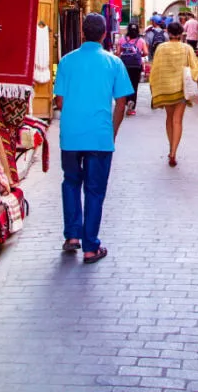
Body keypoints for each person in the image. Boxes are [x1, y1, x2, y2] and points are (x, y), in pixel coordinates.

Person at [54, 13, 133, 264]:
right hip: (100, 135)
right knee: (95, 191)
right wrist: (113, 130)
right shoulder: (114, 63)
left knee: (71, 182)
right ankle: (91, 247)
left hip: (71, 135)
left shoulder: (66, 61)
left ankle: (72, 236)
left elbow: (59, 101)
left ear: (82, 33)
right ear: (103, 34)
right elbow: (121, 102)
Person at [149, 21, 198, 167]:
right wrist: (190, 78)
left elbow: (156, 69)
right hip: (181, 90)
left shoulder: (161, 48)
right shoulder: (187, 48)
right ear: (181, 33)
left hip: (166, 90)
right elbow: (195, 68)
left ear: (168, 32)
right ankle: (173, 152)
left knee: (169, 118)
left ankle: (171, 147)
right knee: (178, 120)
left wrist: (154, 87)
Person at [116, 23, 147, 115]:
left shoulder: (122, 39)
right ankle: (131, 107)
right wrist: (139, 54)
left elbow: (118, 53)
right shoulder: (141, 40)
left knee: (125, 84)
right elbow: (145, 52)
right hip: (136, 66)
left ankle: (127, 100)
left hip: (124, 65)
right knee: (134, 85)